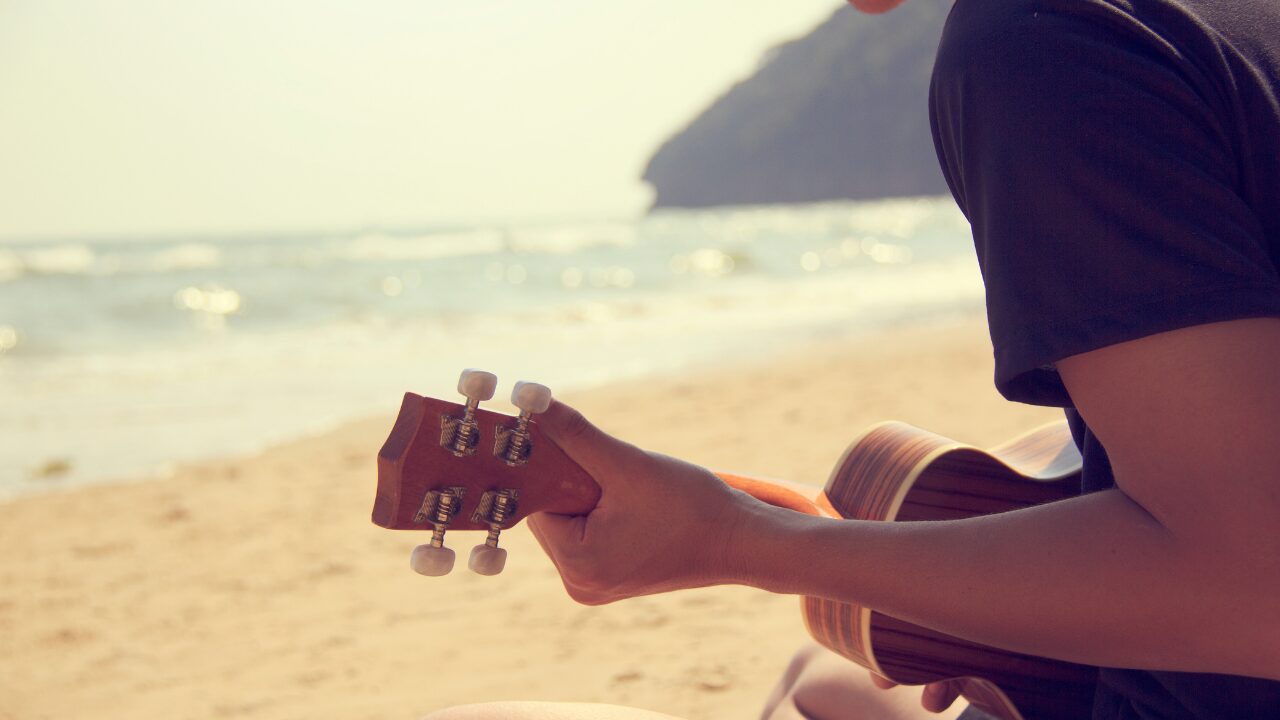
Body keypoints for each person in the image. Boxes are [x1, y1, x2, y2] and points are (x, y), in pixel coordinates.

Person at [427, 0, 1280, 717]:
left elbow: (1247, 584)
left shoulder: (1044, 43)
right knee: (823, 672)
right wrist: (977, 576)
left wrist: (740, 542)